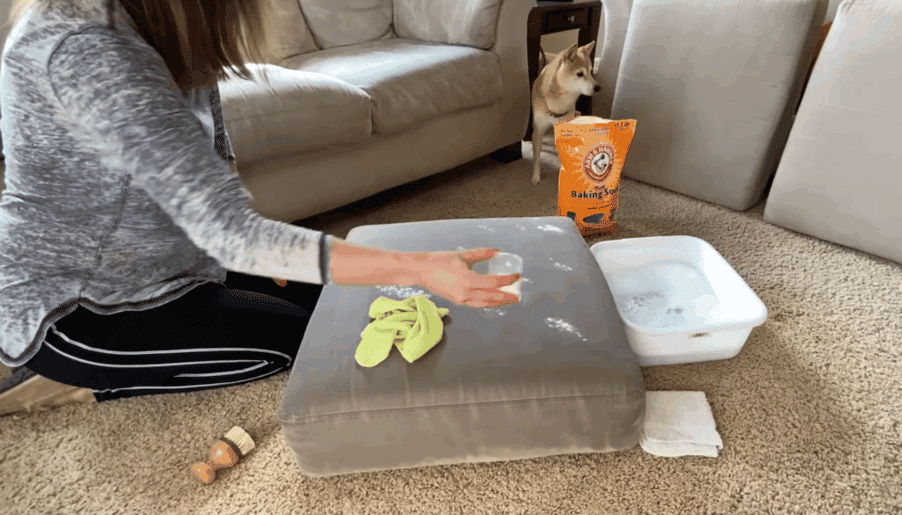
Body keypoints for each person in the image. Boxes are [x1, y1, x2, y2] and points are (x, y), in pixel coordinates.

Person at [0, 0, 520, 405]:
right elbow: (231, 233)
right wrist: (420, 267)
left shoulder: (159, 31)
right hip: (80, 308)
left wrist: (277, 258)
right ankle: (65, 379)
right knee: (294, 344)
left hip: (182, 267)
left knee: (340, 306)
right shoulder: (87, 48)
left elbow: (218, 177)